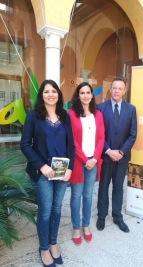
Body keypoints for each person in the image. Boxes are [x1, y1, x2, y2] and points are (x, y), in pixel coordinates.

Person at [20, 80, 75, 267]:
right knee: (45, 211)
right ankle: (43, 248)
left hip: (61, 170)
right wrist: (41, 166)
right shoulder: (33, 116)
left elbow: (71, 145)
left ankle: (53, 243)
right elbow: (25, 145)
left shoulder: (65, 116)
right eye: (46, 91)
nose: (50, 94)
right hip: (43, 171)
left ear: (58, 94)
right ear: (41, 95)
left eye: (54, 91)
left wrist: (71, 168)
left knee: (57, 209)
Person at [96, 77, 137, 233]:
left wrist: (121, 152)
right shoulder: (100, 108)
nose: (116, 91)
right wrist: (107, 150)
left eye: (120, 88)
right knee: (103, 187)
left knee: (118, 188)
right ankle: (101, 216)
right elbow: (98, 134)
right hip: (105, 156)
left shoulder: (131, 109)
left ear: (124, 91)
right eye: (114, 88)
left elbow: (132, 134)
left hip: (122, 158)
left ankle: (117, 216)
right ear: (110, 89)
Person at [68, 82, 104, 245]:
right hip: (78, 161)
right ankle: (76, 227)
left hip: (93, 160)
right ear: (78, 95)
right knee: (76, 195)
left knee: (88, 195)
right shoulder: (71, 114)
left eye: (88, 92)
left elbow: (102, 138)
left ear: (92, 95)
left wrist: (94, 159)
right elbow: (72, 141)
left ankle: (86, 225)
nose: (85, 95)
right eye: (82, 93)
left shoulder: (98, 114)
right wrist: (85, 160)